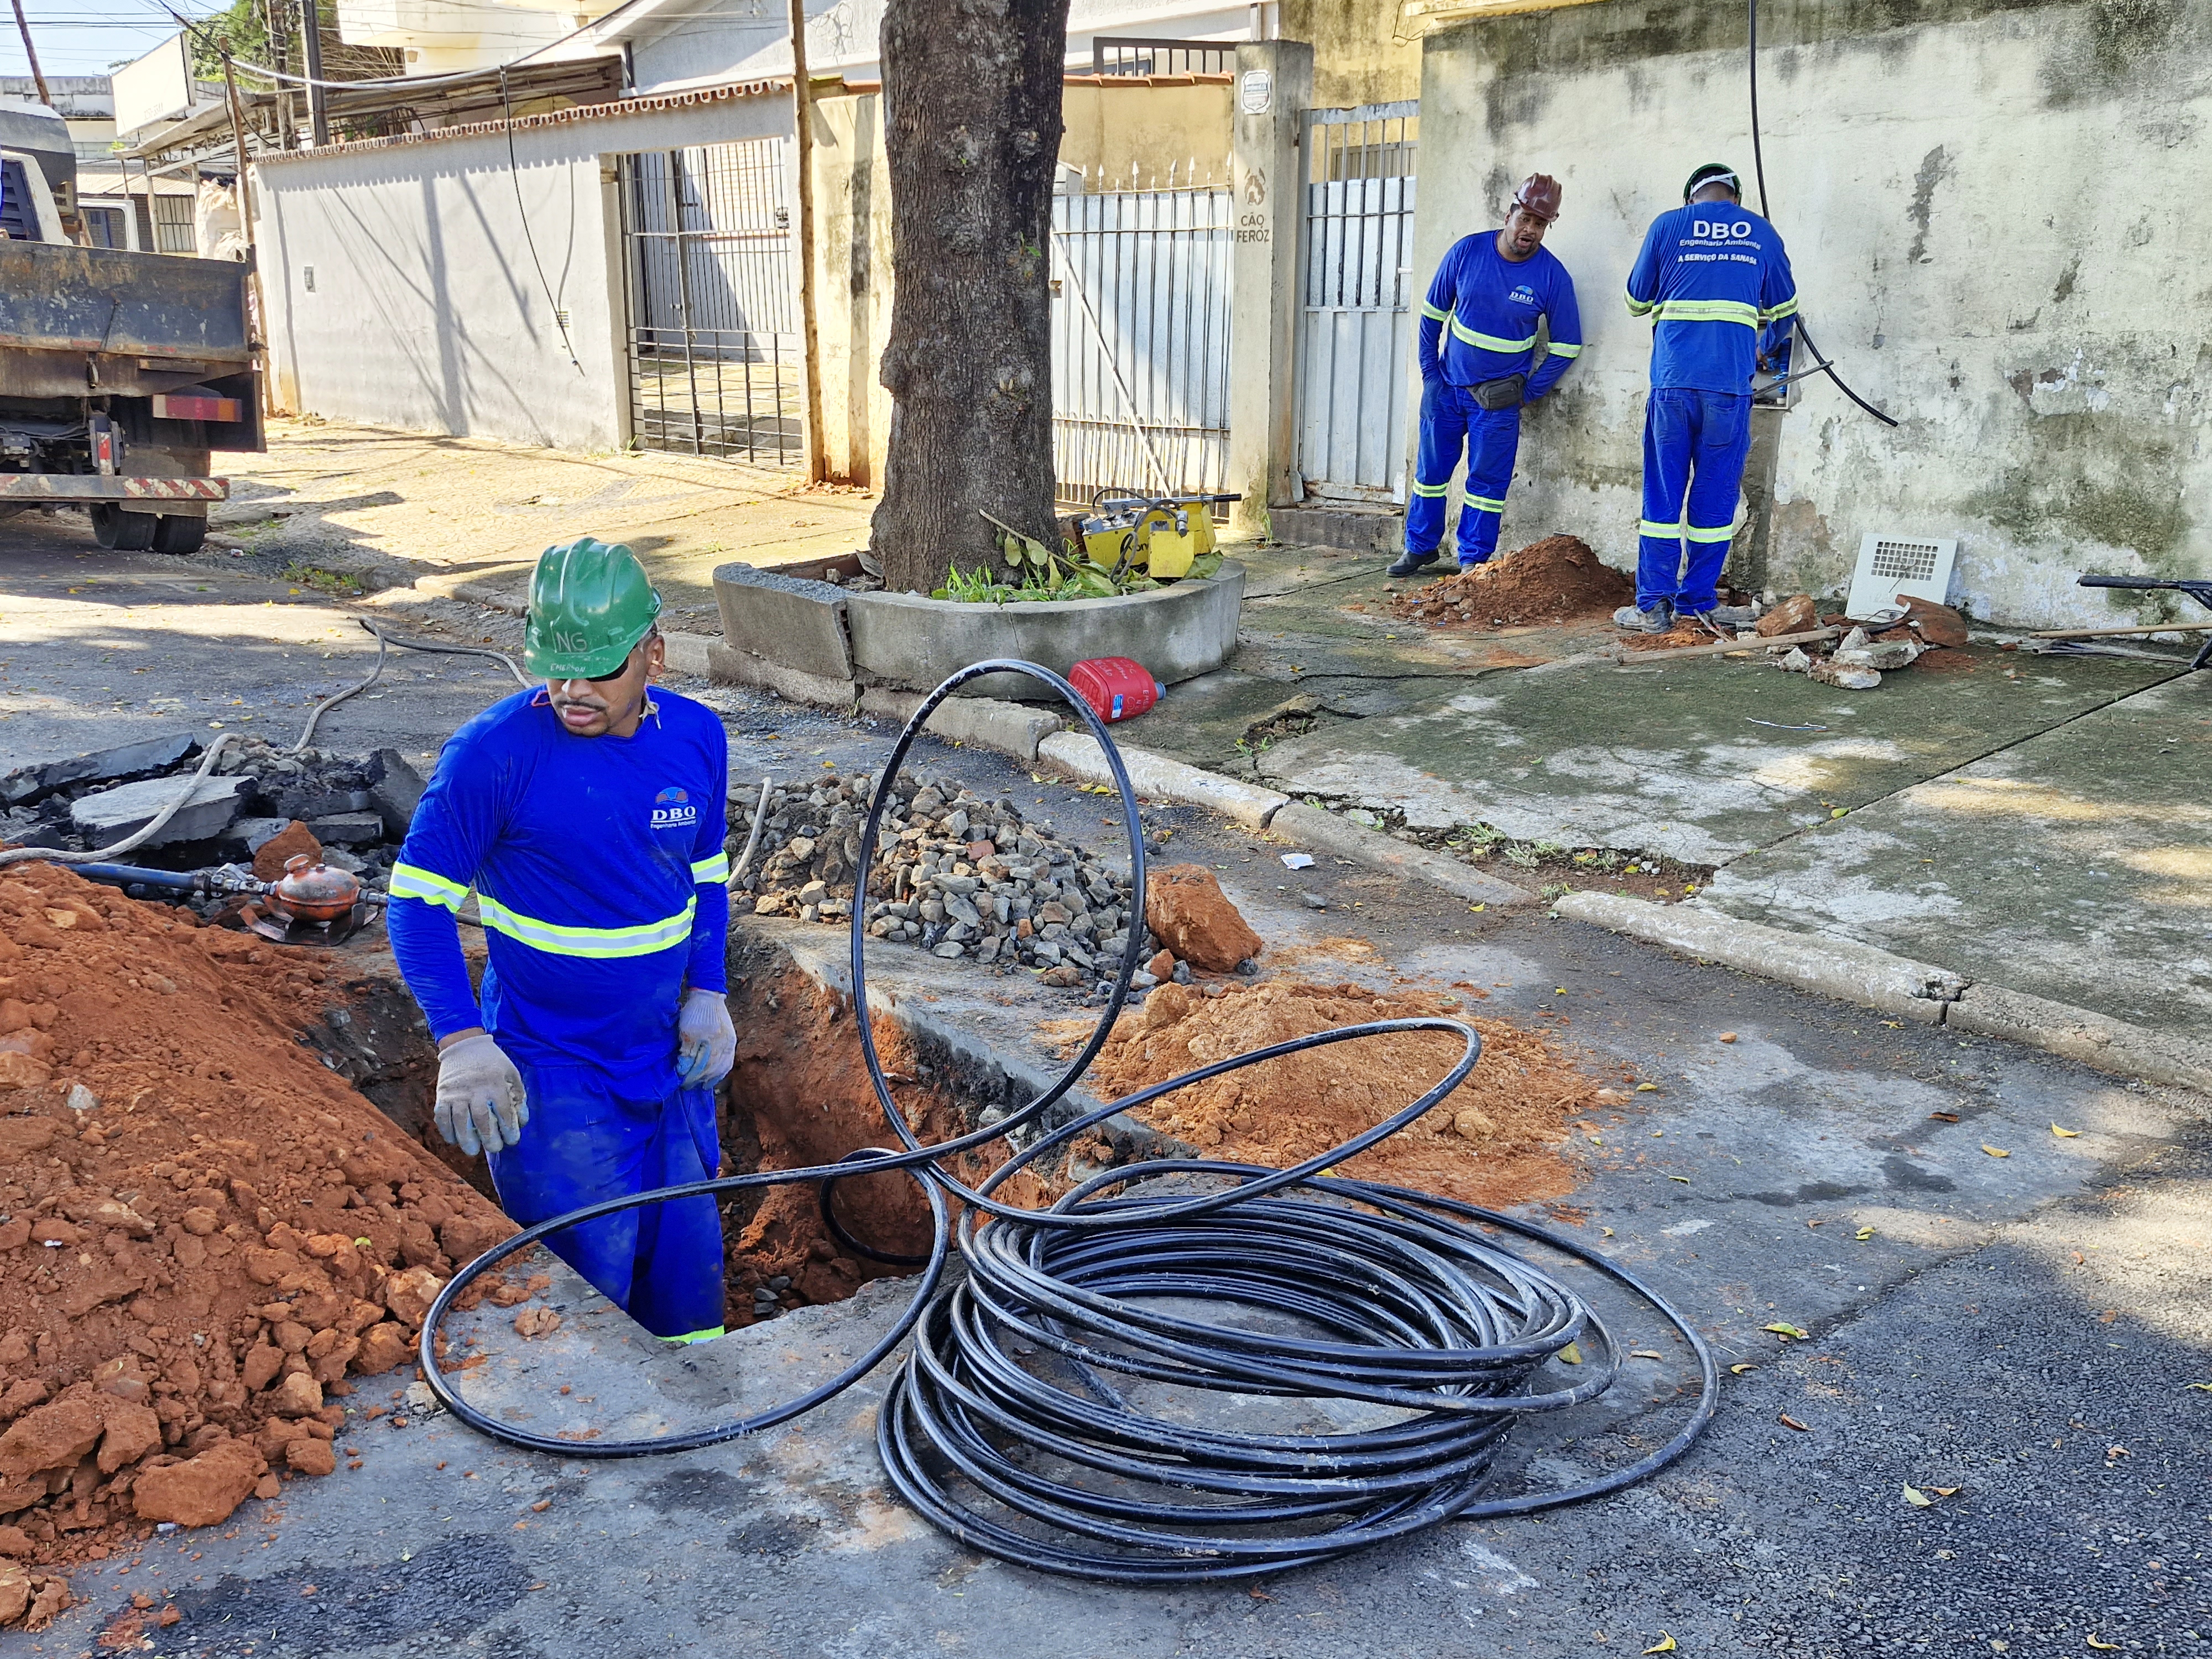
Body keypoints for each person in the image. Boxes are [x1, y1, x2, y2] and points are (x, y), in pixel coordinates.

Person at [385, 537, 737, 1343]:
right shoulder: (492, 756)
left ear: (654, 653)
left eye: (601, 669)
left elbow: (708, 875)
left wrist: (710, 993)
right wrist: (462, 1041)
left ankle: (700, 1430)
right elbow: (414, 904)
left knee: (686, 1267)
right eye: (556, 667)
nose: (573, 691)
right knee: (587, 1283)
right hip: (553, 1065)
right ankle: (594, 1447)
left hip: (666, 1057)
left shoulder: (696, 739)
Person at [1617, 161, 1798, 632]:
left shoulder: (1667, 225)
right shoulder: (1761, 232)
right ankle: (1697, 601)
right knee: (1714, 502)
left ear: (1690, 197)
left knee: (1662, 500)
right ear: (1734, 198)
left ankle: (1652, 606)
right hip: (1728, 389)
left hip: (1673, 385)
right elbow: (1786, 309)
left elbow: (1636, 301)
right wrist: (1765, 344)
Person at [1389, 173, 1583, 579]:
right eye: (1525, 218)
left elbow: (1567, 345)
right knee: (1430, 476)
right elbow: (1431, 317)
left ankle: (1472, 560)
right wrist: (1431, 376)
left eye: (1540, 224)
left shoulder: (1552, 276)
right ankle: (1419, 548)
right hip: (1446, 389)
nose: (1530, 230)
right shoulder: (1467, 252)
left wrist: (1529, 393)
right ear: (1509, 212)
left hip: (1497, 402)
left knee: (1487, 484)